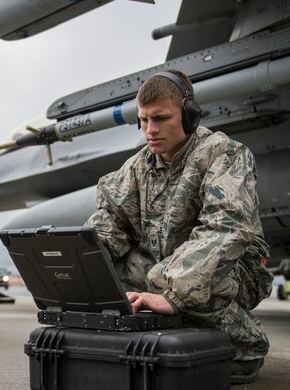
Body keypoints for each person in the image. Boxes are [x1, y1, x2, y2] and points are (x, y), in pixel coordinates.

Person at [85, 69, 273, 385]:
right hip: (164, 268)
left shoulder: (222, 153)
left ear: (189, 116)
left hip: (234, 271)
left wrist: (173, 293)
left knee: (178, 281)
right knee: (108, 275)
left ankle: (245, 345)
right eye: (143, 120)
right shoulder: (137, 167)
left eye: (160, 118)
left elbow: (226, 228)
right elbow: (108, 225)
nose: (150, 129)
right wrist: (82, 270)